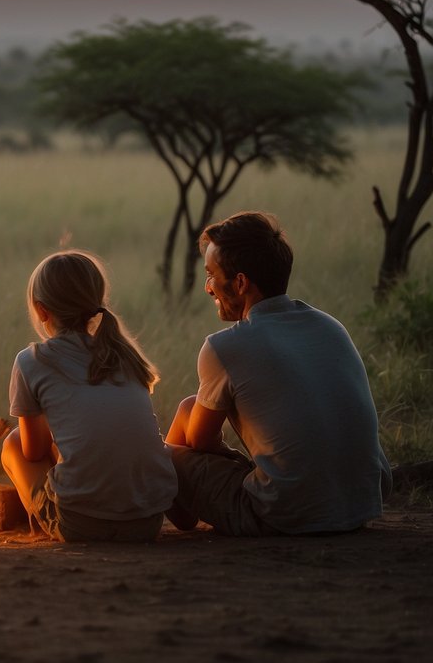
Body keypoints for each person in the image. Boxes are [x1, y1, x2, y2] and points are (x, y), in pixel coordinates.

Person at [165, 211, 392, 536]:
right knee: (191, 406)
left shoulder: (224, 347)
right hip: (363, 503)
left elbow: (198, 441)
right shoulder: (330, 326)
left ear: (241, 282)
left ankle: (182, 514)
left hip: (283, 513)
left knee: (164, 454)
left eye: (211, 275)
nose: (208, 287)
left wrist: (231, 459)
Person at [1, 250, 177, 542]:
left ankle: (39, 521)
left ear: (42, 310)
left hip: (78, 525)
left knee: (13, 442)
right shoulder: (123, 355)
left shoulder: (32, 361)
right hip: (146, 523)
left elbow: (33, 452)